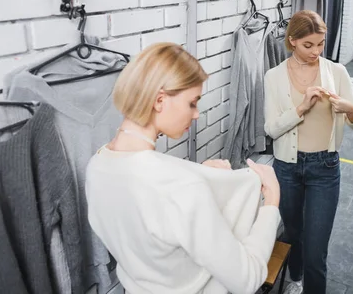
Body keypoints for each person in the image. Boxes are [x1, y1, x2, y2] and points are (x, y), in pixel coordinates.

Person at [86, 43, 281, 294]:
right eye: (192, 102)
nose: (197, 113)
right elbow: (247, 278)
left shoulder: (97, 166)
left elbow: (149, 225)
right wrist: (272, 202)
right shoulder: (181, 188)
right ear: (159, 100)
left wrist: (201, 174)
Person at [264, 11, 353, 294]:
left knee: (316, 249)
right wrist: (301, 108)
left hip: (324, 168)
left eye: (321, 44)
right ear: (292, 41)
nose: (316, 51)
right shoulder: (273, 77)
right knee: (293, 235)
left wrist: (350, 110)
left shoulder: (337, 73)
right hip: (286, 168)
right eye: (308, 45)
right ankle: (294, 279)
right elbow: (272, 129)